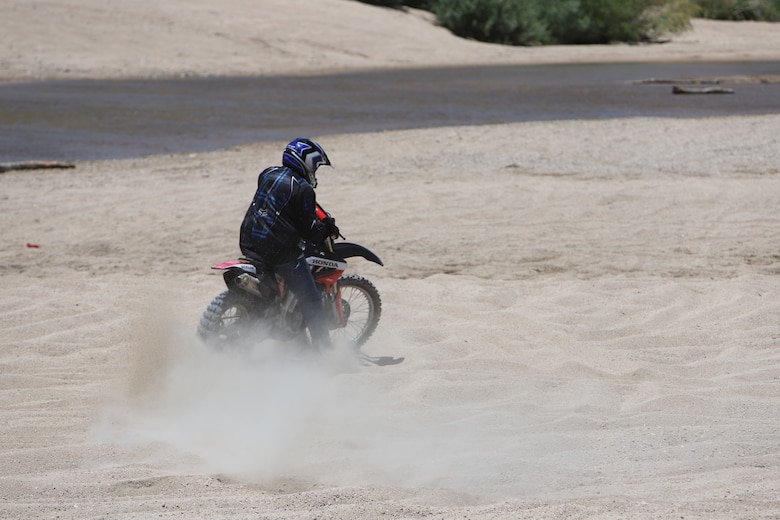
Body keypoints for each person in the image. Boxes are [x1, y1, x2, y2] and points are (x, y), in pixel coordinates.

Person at [239, 138, 339, 350]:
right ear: (308, 162)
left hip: (249, 242)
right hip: (279, 252)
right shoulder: (304, 189)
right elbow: (309, 230)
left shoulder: (267, 173)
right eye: (316, 166)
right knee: (312, 300)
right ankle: (325, 353)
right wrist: (326, 230)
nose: (315, 171)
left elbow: (281, 205)